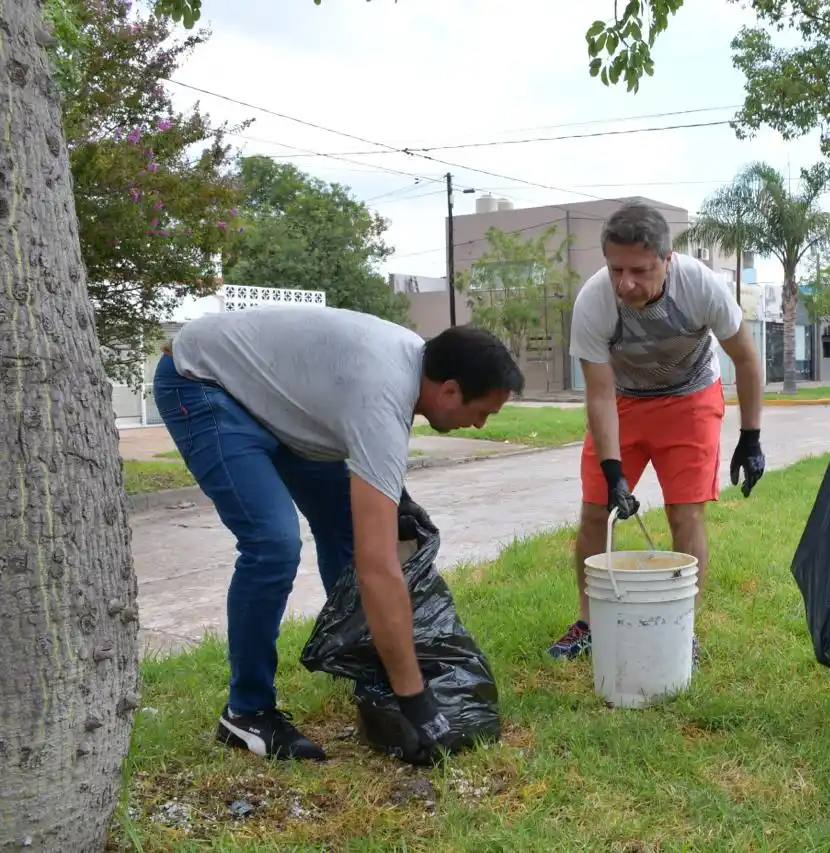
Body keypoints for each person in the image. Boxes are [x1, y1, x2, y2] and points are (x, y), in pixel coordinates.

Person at [154, 306, 524, 761]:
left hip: (276, 400)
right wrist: (416, 703)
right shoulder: (382, 394)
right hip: (204, 381)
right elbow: (378, 566)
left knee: (347, 531)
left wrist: (397, 500)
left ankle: (368, 668)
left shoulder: (410, 370)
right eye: (482, 412)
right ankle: (246, 712)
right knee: (272, 544)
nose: (482, 425)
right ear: (449, 390)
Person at [547, 201, 768, 661]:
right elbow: (600, 393)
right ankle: (589, 623)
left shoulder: (700, 286)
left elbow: (746, 359)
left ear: (667, 259)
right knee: (594, 513)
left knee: (685, 515)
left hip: (689, 400)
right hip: (623, 402)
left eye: (640, 270)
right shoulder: (594, 301)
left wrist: (751, 437)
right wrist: (612, 471)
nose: (625, 283)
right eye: (615, 268)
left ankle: (682, 629)